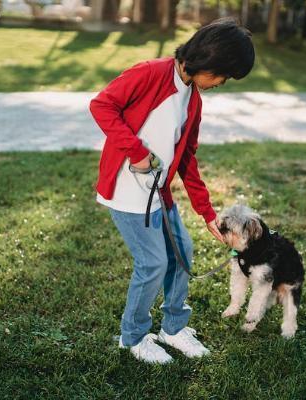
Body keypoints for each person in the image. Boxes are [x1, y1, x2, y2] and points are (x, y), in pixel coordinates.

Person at [88, 18, 255, 364]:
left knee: (181, 252)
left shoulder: (193, 98)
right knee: (152, 264)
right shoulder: (150, 73)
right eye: (223, 75)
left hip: (158, 192)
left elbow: (187, 159)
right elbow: (102, 105)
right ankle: (132, 336)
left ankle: (173, 328)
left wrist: (207, 213)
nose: (222, 83)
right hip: (126, 190)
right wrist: (136, 152)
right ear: (208, 61)